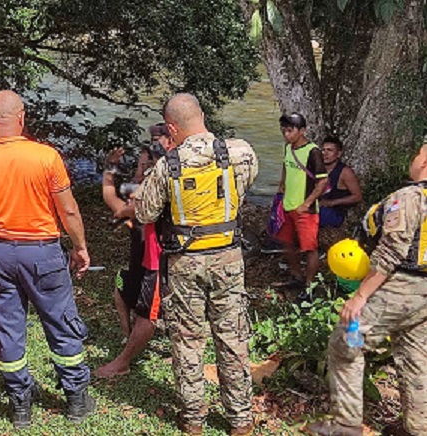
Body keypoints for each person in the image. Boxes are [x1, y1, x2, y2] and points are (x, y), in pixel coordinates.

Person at [0, 90, 94, 428]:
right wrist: (80, 247)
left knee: (7, 330)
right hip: (44, 254)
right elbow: (68, 209)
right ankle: (76, 400)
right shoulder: (46, 157)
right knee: (61, 324)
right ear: (22, 117)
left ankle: (20, 406)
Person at [135, 93, 258, 436]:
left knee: (188, 339)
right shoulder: (239, 151)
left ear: (171, 127)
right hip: (228, 258)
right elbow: (243, 188)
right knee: (232, 338)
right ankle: (241, 420)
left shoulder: (167, 165)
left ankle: (192, 419)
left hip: (185, 262)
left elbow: (145, 212)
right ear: (203, 115)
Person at [305, 139, 427, 436]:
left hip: (400, 288)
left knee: (345, 344)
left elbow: (391, 253)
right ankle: (418, 426)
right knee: (416, 357)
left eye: (419, 152)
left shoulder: (409, 198)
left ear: (425, 160)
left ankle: (346, 425)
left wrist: (360, 297)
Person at [94, 132, 171, 379]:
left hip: (159, 261)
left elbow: (117, 201)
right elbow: (111, 197)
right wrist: (111, 167)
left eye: (147, 166)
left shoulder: (154, 196)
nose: (141, 171)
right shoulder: (138, 198)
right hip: (140, 259)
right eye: (140, 166)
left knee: (149, 313)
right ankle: (128, 336)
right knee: (121, 290)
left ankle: (124, 360)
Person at [275, 113, 328, 298]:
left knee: (309, 248)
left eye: (290, 131)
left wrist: (307, 204)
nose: (287, 135)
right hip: (288, 205)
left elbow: (322, 182)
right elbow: (285, 166)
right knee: (287, 243)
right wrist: (281, 186)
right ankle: (296, 275)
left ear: (302, 130)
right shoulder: (288, 148)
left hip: (306, 210)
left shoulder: (313, 152)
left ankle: (309, 285)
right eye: (284, 131)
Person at [319, 136, 362, 228]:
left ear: (338, 154)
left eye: (329, 150)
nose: (325, 153)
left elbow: (357, 196)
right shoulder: (318, 169)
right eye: (323, 150)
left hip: (334, 213)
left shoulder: (345, 172)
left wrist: (332, 202)